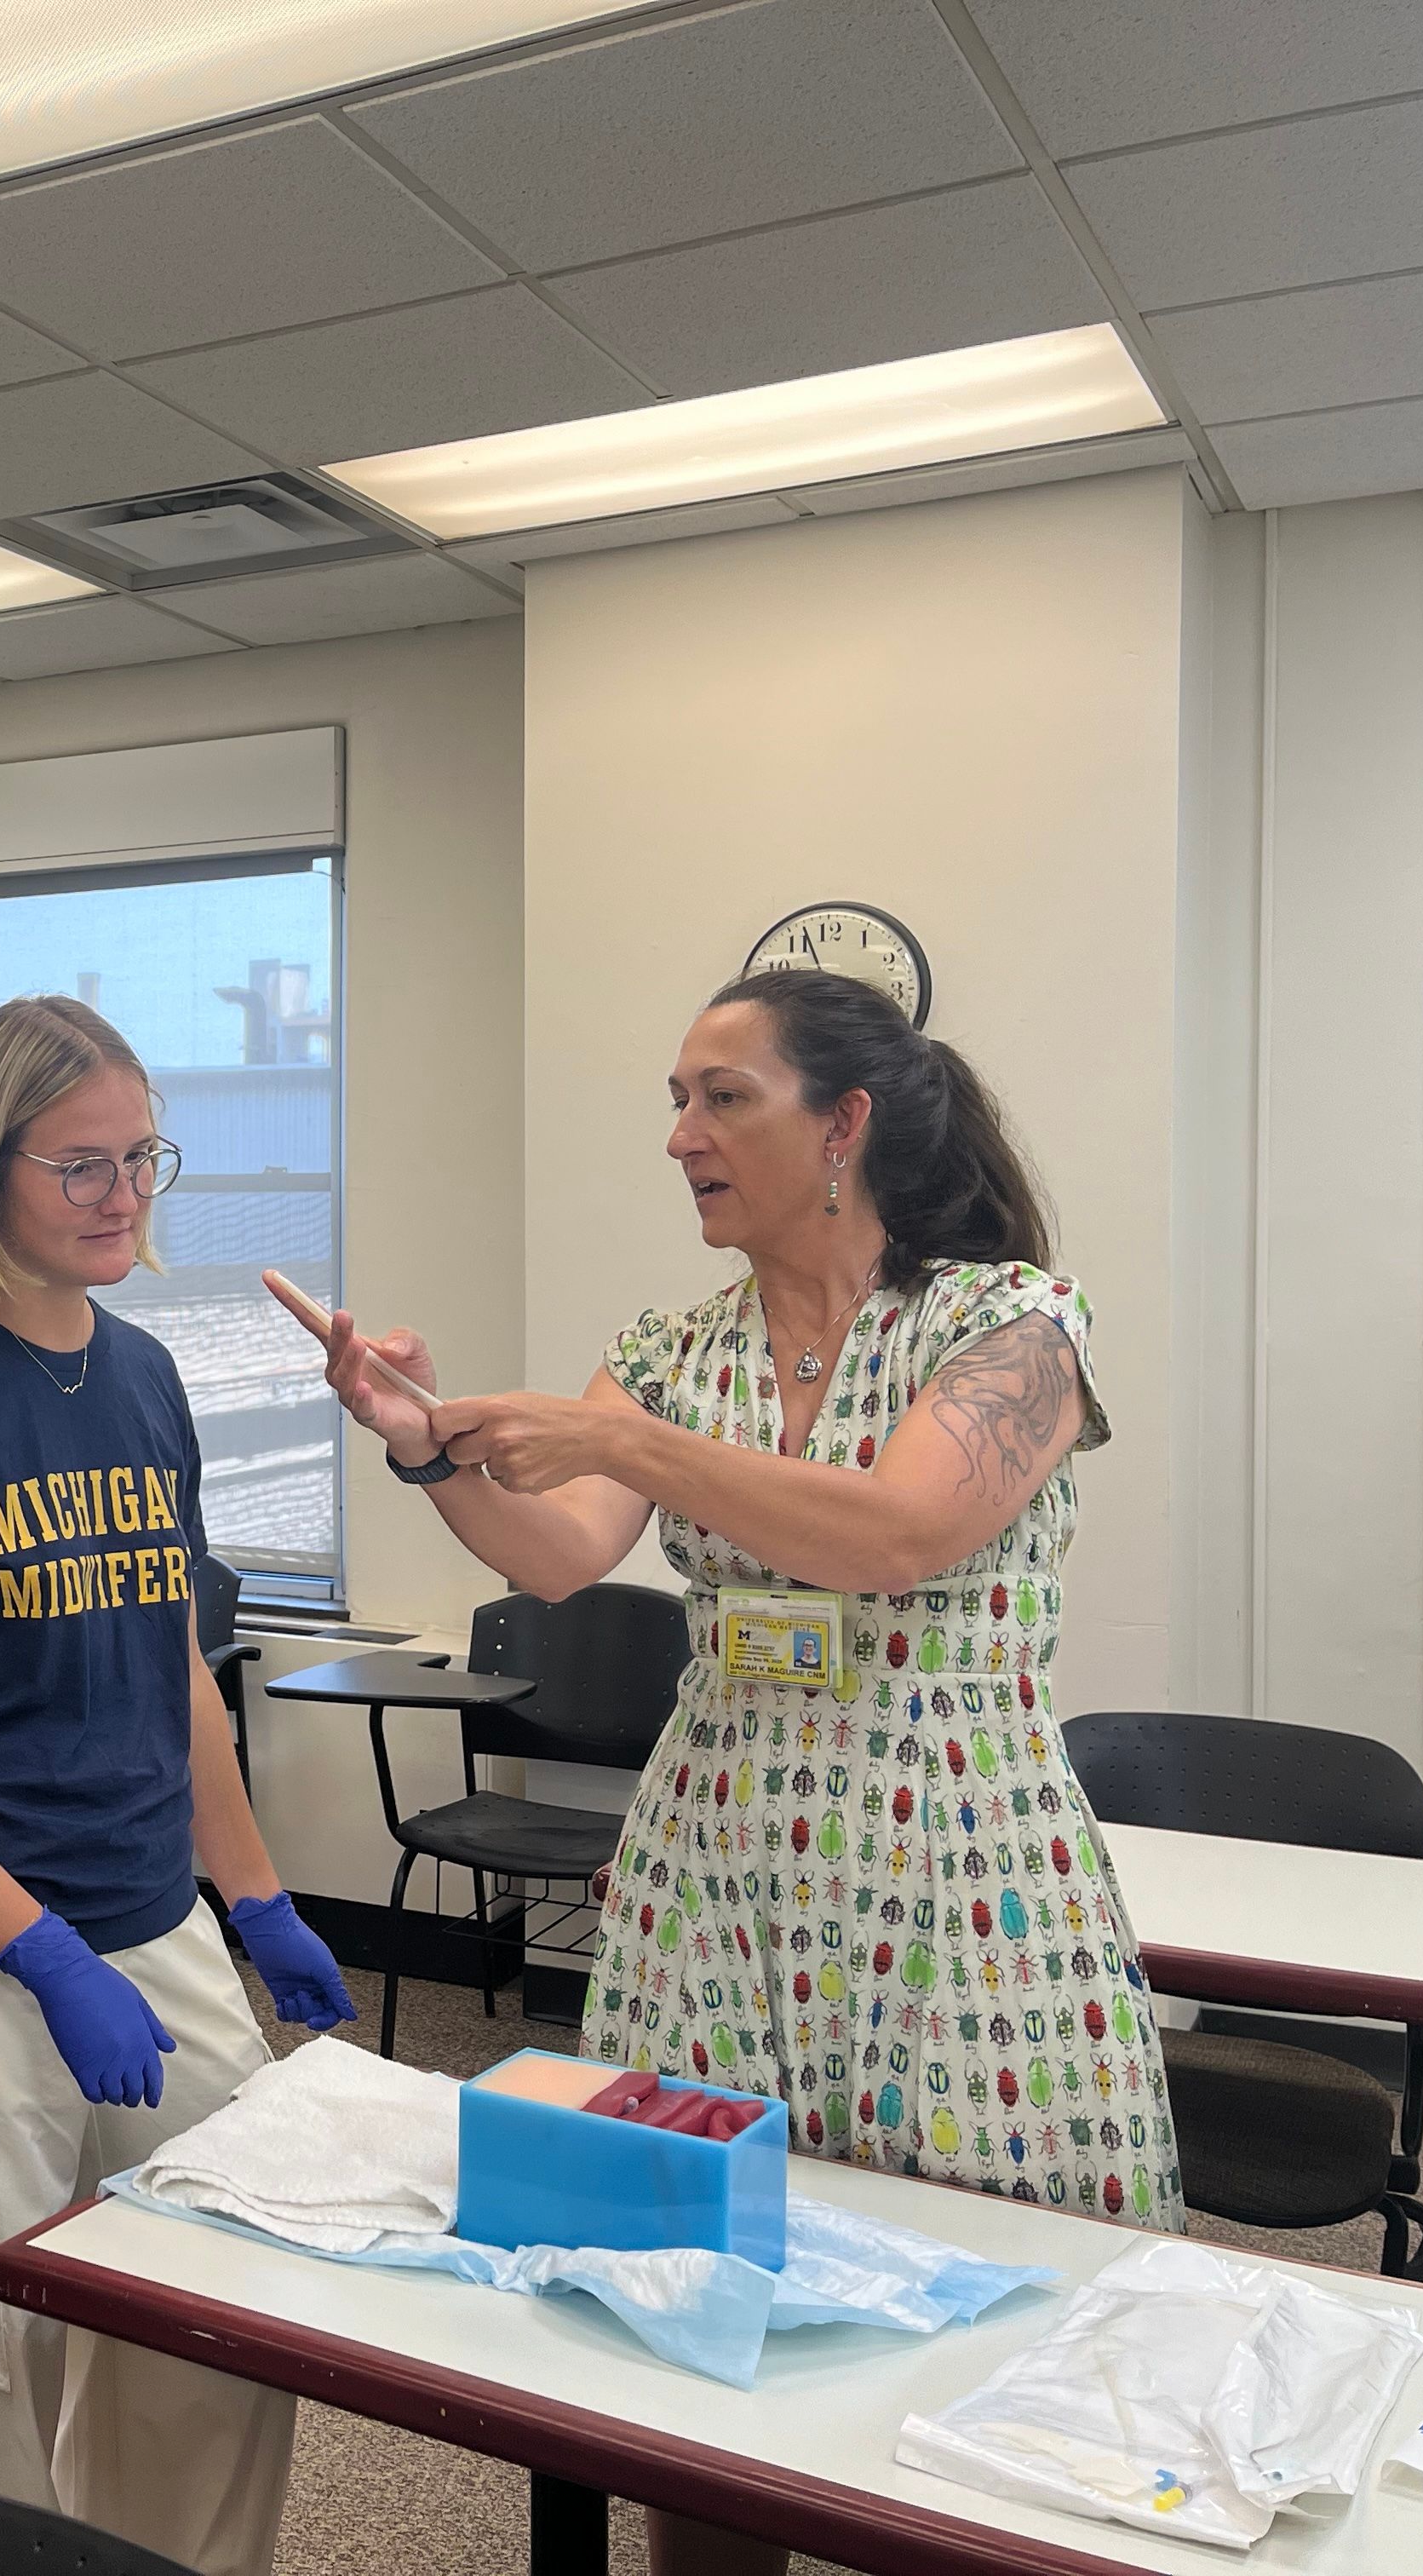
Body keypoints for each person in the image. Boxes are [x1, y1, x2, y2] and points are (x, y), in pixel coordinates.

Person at [318, 967, 1179, 2574]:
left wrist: (632, 1447)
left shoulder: (1008, 1325)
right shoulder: (672, 1347)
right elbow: (564, 1553)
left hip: (954, 1875)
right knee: (692, 2311)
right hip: (714, 1869)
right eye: (674, 1098)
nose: (680, 1135)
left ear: (843, 1123)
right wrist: (425, 1446)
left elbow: (902, 1532)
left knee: (986, 2344)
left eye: (723, 1099)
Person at [0, 995, 355, 2576]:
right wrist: (34, 1949)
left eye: (142, 1160)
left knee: (222, 2327)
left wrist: (253, 1897)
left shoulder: (145, 1380)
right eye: (83, 1166)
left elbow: (177, 1675)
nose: (125, 1196)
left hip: (153, 1926)